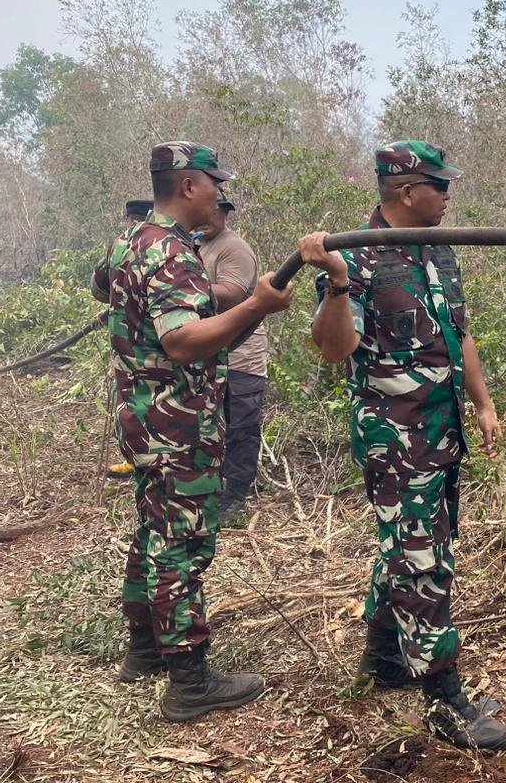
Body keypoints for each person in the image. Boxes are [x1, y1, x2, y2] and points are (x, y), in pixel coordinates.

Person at [297, 140, 506, 752]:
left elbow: (457, 331)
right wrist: (337, 284)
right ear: (408, 191)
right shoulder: (354, 257)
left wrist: (483, 402)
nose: (448, 196)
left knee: (411, 539)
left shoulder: (439, 250)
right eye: (441, 186)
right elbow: (334, 349)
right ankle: (443, 698)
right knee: (422, 555)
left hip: (442, 427)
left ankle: (384, 657)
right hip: (396, 435)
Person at [94, 141, 292, 722]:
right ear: (188, 186)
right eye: (214, 184)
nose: (219, 195)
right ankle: (190, 681)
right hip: (177, 424)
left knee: (154, 530)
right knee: (181, 543)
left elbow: (105, 288)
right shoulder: (172, 251)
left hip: (143, 417)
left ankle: (144, 650)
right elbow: (182, 342)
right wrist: (256, 306)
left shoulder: (131, 239)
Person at [195, 199, 268, 520]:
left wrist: (177, 288)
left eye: (215, 211)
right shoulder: (196, 246)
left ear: (225, 214)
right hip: (209, 353)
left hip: (242, 355)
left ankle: (236, 496)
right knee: (207, 426)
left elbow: (231, 294)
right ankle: (211, 491)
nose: (207, 217)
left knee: (241, 426)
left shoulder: (233, 248)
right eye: (205, 209)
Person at [94, 199, 154, 481]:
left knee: (130, 398)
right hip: (153, 344)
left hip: (128, 342)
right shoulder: (168, 244)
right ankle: (144, 461)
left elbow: (98, 288)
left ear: (129, 219)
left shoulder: (119, 246)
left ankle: (137, 459)